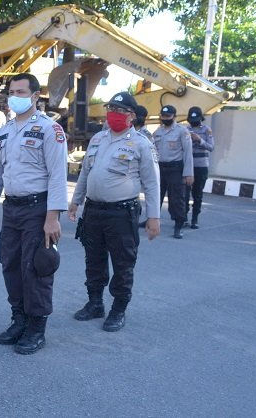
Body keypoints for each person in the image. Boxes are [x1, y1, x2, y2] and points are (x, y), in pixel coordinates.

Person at [0, 73, 67, 355]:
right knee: (11, 265)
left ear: (35, 96)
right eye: (11, 91)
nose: (14, 96)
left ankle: (36, 328)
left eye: (20, 91)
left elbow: (57, 176)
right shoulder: (4, 132)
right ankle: (19, 320)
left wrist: (52, 218)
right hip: (12, 209)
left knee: (36, 268)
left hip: (38, 209)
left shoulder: (49, 129)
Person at [68, 92, 161, 332]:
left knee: (123, 263)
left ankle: (118, 309)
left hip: (122, 214)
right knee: (94, 259)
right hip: (94, 211)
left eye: (119, 110)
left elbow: (152, 184)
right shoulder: (98, 139)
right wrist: (75, 201)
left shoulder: (141, 143)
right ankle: (95, 303)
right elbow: (86, 174)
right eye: (111, 108)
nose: (113, 114)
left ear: (131, 116)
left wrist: (154, 217)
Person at [152, 105, 193, 239]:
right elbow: (152, 152)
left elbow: (188, 153)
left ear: (174, 117)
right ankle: (151, 220)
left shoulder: (182, 131)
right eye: (163, 116)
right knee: (155, 196)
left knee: (176, 199)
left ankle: (178, 225)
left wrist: (188, 173)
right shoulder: (158, 132)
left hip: (175, 169)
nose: (165, 119)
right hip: (160, 168)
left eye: (168, 116)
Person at [184, 106, 214, 229]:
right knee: (184, 194)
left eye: (196, 118)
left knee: (197, 194)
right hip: (188, 166)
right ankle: (184, 218)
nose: (193, 121)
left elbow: (211, 147)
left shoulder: (207, 130)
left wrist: (199, 140)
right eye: (191, 118)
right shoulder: (185, 130)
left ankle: (195, 219)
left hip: (201, 166)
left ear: (201, 118)